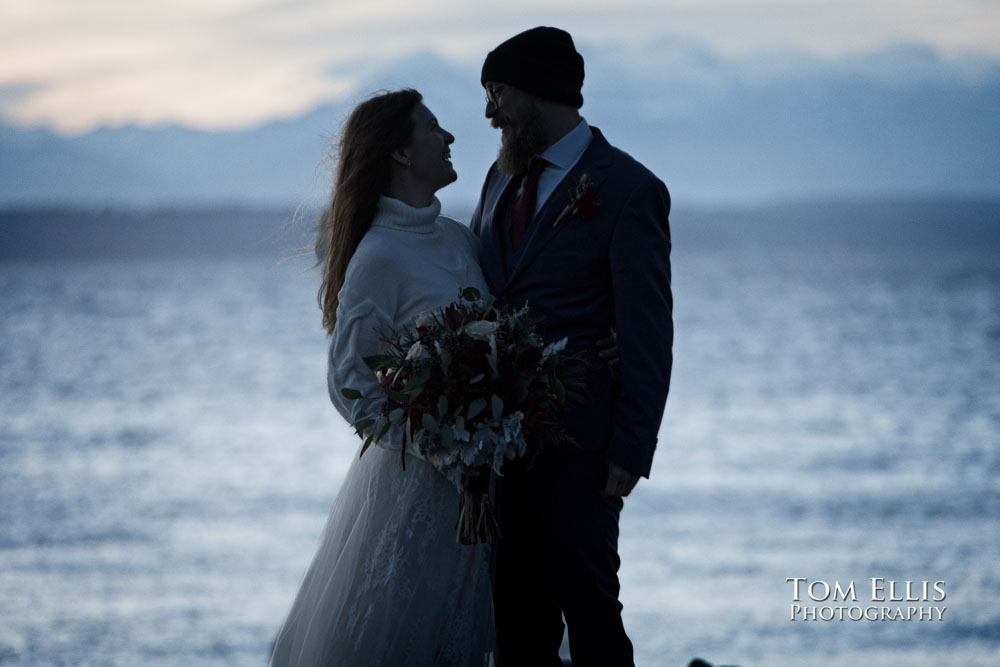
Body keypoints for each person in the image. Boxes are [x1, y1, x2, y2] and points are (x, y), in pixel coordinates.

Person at [470, 27, 673, 667]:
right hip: (503, 452)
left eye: (498, 93)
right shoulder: (499, 179)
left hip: (583, 452)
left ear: (535, 94)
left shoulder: (627, 188)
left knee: (592, 615)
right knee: (517, 621)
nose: (489, 112)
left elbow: (649, 331)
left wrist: (631, 449)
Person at [269, 89, 494, 666]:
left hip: (484, 487)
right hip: (414, 488)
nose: (448, 139)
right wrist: (436, 446)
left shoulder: (459, 239)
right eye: (433, 128)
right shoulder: (379, 256)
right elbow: (349, 384)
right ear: (399, 152)